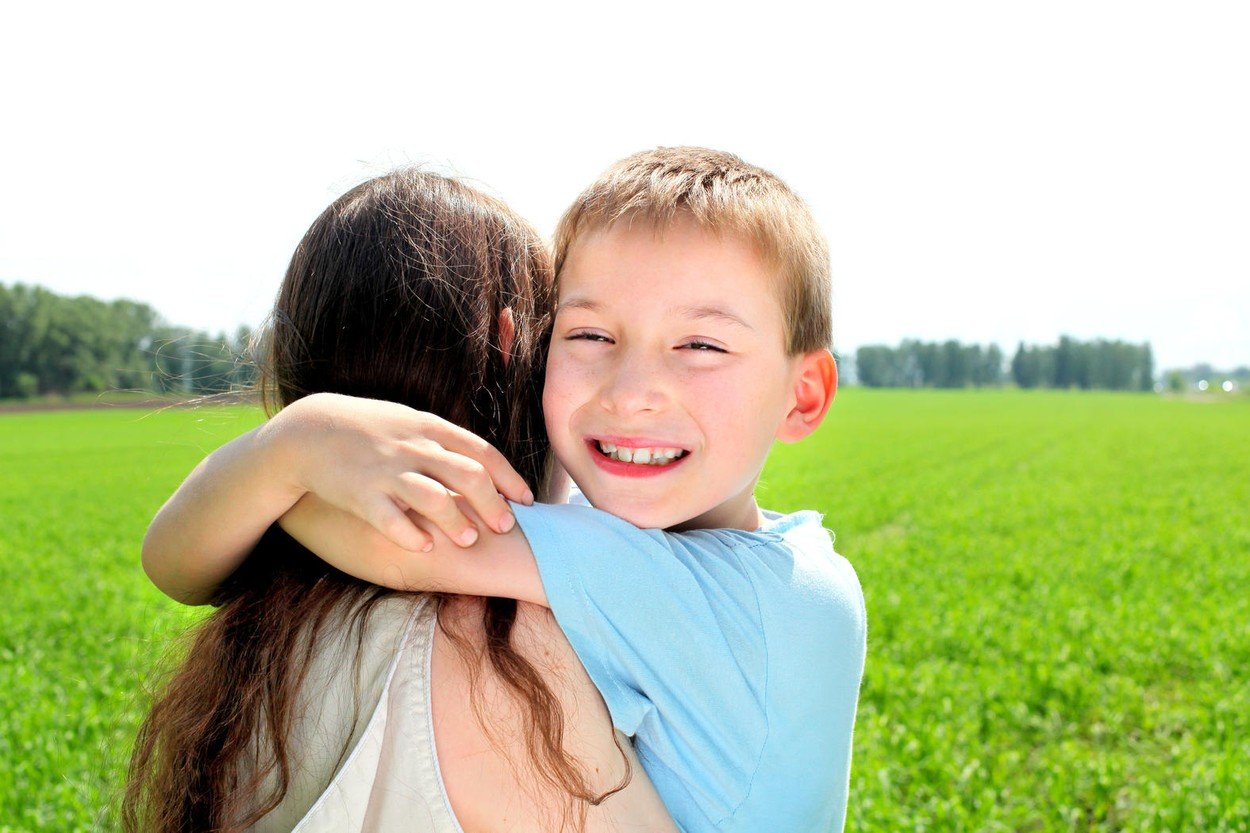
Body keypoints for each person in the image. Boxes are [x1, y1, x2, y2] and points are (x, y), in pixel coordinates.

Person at [144, 147, 868, 832]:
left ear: (802, 394)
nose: (633, 392)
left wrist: (294, 453)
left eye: (702, 346)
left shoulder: (674, 577)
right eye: (589, 336)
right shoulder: (796, 567)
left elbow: (389, 545)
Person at [124, 169, 679, 833]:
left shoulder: (265, 611)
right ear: (508, 346)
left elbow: (173, 562)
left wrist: (290, 450)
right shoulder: (501, 653)